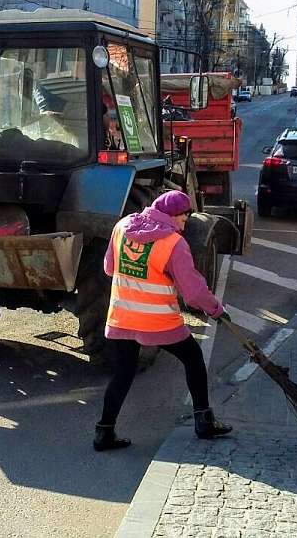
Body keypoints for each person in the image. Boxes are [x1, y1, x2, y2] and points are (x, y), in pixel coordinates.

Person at [94, 190, 233, 452]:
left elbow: (109, 268)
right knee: (193, 359)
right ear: (172, 215)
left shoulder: (122, 226)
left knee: (122, 374)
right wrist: (216, 309)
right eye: (184, 217)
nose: (185, 223)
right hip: (159, 322)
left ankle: (104, 432)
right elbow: (193, 292)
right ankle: (204, 421)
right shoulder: (173, 243)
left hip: (122, 317)